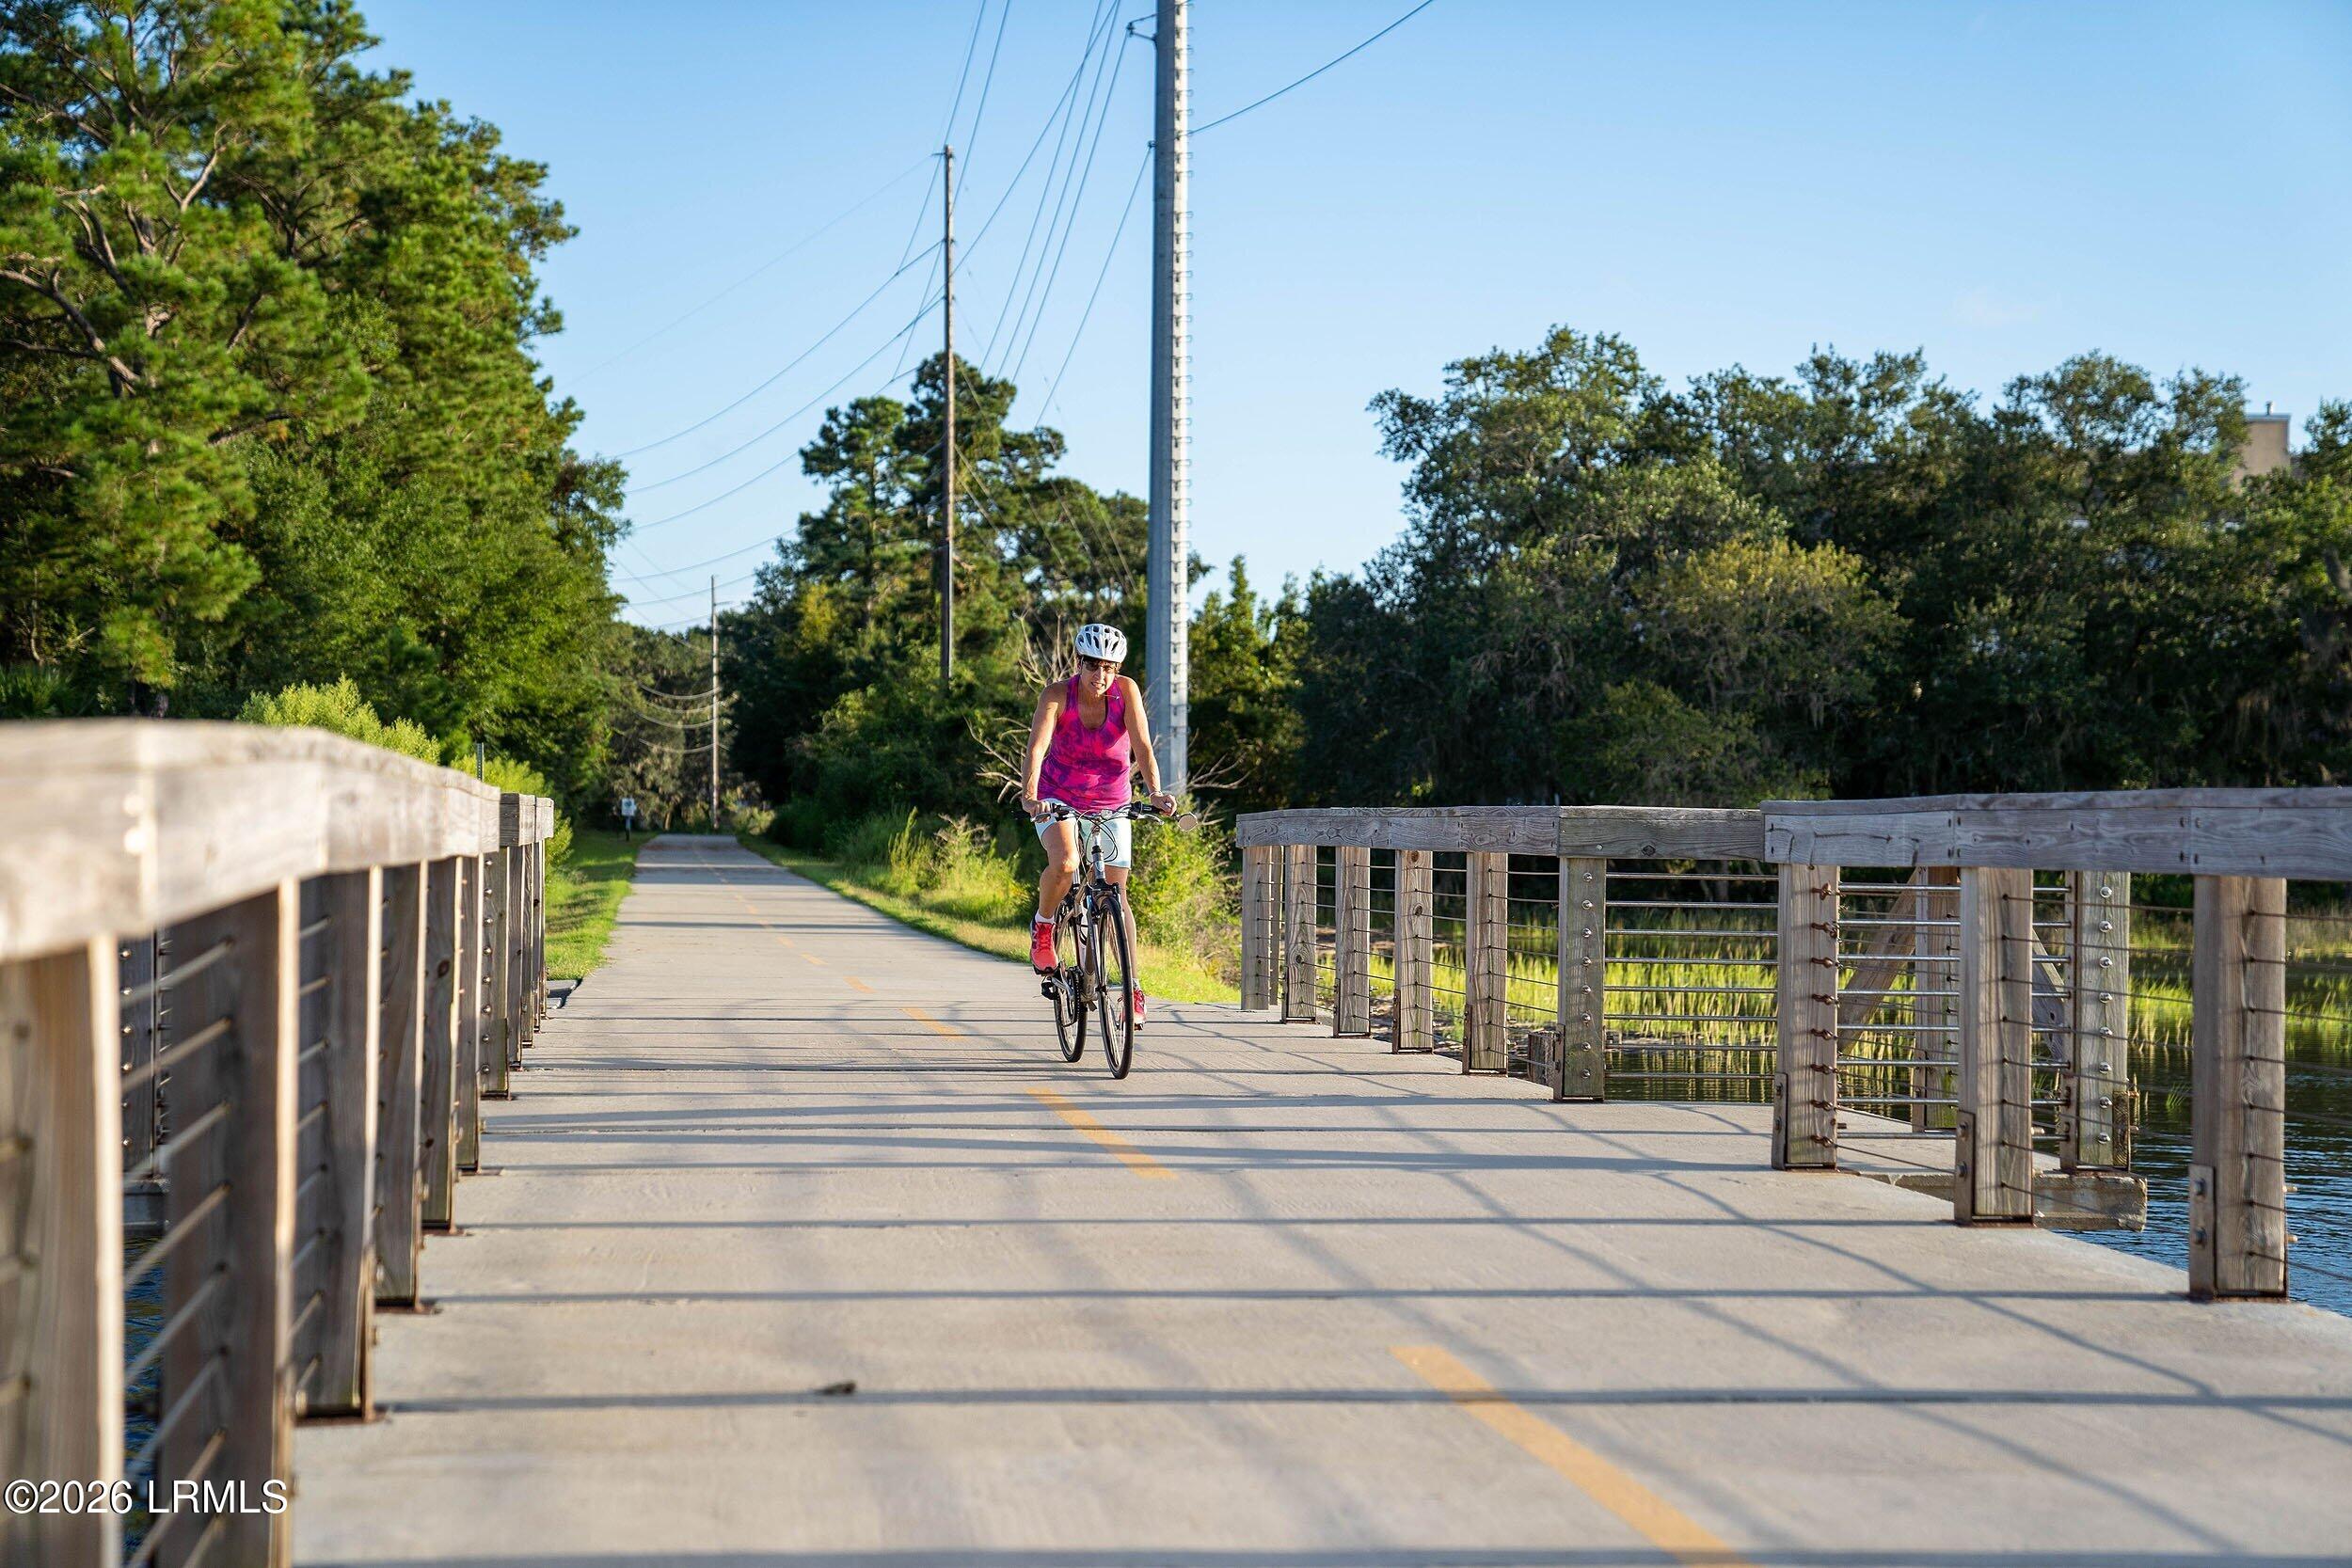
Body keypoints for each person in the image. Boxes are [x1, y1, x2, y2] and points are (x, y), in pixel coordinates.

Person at [1020, 624, 1176, 1027]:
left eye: (1109, 667)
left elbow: (1142, 745)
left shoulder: (1127, 692)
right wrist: (1030, 796)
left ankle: (1131, 988)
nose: (1100, 675)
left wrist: (1156, 793)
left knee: (1116, 896)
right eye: (1093, 665)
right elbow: (1037, 748)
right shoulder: (1057, 695)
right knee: (1067, 863)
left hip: (1112, 800)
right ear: (1080, 663)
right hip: (1057, 796)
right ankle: (1044, 925)